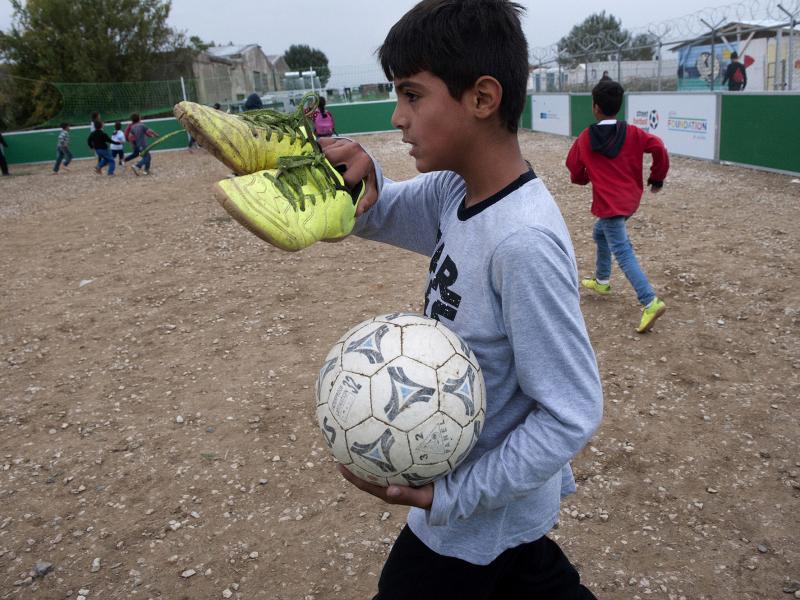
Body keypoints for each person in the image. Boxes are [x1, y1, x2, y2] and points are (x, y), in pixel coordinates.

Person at [318, 2, 603, 597]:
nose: (397, 118)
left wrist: (454, 494)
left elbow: (571, 410)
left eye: (412, 95)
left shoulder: (522, 241)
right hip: (485, 524)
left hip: (479, 517)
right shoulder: (457, 190)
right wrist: (356, 175)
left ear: (482, 98)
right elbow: (382, 211)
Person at [566, 80, 669, 333]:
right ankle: (601, 280)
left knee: (622, 251)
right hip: (630, 201)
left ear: (595, 107)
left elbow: (574, 170)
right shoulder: (633, 132)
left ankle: (649, 301)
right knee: (599, 233)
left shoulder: (585, 138)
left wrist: (586, 177)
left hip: (610, 205)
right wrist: (657, 178)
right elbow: (659, 148)